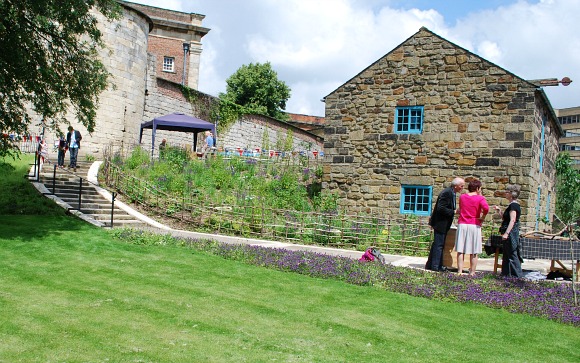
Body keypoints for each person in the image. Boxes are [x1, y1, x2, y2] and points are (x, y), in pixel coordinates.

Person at [425, 177, 465, 272]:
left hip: (443, 223)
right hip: (440, 223)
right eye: (461, 186)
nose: (462, 188)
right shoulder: (447, 192)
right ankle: (436, 266)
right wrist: (454, 211)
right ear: (455, 186)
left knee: (437, 244)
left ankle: (430, 264)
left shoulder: (452, 192)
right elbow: (440, 208)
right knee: (439, 245)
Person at [455, 179, 489, 276]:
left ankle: (460, 271)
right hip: (474, 224)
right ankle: (472, 272)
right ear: (478, 188)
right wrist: (482, 217)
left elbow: (461, 208)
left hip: (463, 224)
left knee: (460, 249)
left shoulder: (462, 197)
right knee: (474, 251)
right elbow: (486, 208)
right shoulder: (480, 198)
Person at [494, 184, 524, 277]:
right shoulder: (511, 205)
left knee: (512, 254)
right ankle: (506, 274)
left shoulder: (514, 206)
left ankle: (516, 275)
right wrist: (500, 211)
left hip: (511, 233)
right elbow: (506, 218)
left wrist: (507, 233)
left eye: (507, 192)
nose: (505, 194)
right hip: (509, 231)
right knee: (507, 254)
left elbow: (512, 220)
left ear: (511, 194)